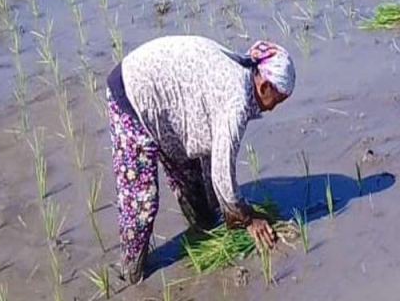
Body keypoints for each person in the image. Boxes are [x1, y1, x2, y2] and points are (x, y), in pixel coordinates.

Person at [106, 36, 296, 283]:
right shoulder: (236, 100)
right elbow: (222, 172)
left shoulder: (242, 74)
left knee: (198, 188)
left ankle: (203, 224)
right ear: (264, 87)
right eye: (278, 100)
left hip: (169, 109)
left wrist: (223, 205)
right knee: (142, 200)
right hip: (131, 96)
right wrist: (247, 218)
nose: (273, 108)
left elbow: (213, 154)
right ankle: (130, 272)